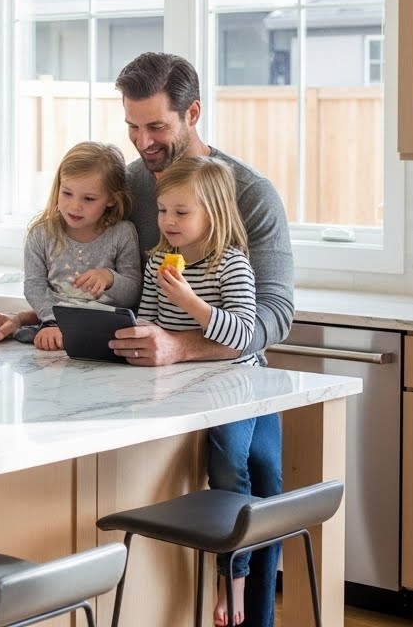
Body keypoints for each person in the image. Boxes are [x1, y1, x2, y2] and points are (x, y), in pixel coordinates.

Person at [141, 156, 275, 627]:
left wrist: (190, 301)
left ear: (213, 214)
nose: (168, 222)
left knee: (227, 458)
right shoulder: (159, 260)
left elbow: (243, 334)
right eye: (162, 211)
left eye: (181, 212)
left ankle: (232, 579)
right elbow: (149, 319)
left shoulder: (231, 265)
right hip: (183, 382)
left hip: (235, 382)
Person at [109, 51, 295, 367]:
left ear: (192, 113)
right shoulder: (125, 185)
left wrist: (179, 347)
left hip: (231, 380)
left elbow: (275, 314)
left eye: (156, 126)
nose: (142, 142)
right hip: (149, 377)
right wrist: (29, 320)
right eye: (132, 127)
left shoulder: (250, 192)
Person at [0, 141, 141, 349]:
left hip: (105, 331)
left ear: (111, 200)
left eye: (88, 199)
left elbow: (133, 292)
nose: (75, 206)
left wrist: (109, 278)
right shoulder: (41, 234)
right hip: (52, 324)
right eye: (67, 193)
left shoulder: (121, 234)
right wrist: (52, 321)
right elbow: (34, 287)